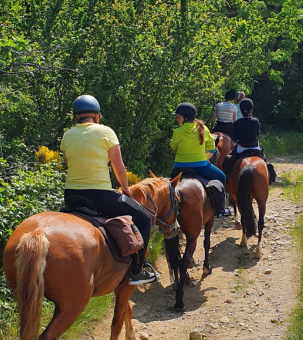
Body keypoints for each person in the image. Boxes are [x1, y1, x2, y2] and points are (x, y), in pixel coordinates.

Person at [61, 94, 158, 285]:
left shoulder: (67, 135)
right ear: (97, 115)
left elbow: (68, 162)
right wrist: (125, 188)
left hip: (71, 195)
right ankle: (137, 270)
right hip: (99, 195)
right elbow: (119, 167)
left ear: (76, 116)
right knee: (145, 219)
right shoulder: (106, 132)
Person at [171, 102, 230, 216]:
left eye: (179, 117)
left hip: (179, 167)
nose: (177, 119)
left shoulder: (177, 132)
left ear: (185, 117)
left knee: (169, 187)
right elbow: (211, 148)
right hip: (201, 167)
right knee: (222, 177)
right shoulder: (203, 129)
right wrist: (205, 158)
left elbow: (173, 147)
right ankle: (220, 209)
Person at [225, 98, 277, 183]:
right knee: (264, 159)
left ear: (240, 110)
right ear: (251, 110)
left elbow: (236, 137)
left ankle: (227, 178)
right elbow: (256, 134)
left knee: (227, 160)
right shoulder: (255, 121)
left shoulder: (237, 123)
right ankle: (271, 177)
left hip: (241, 148)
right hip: (255, 147)